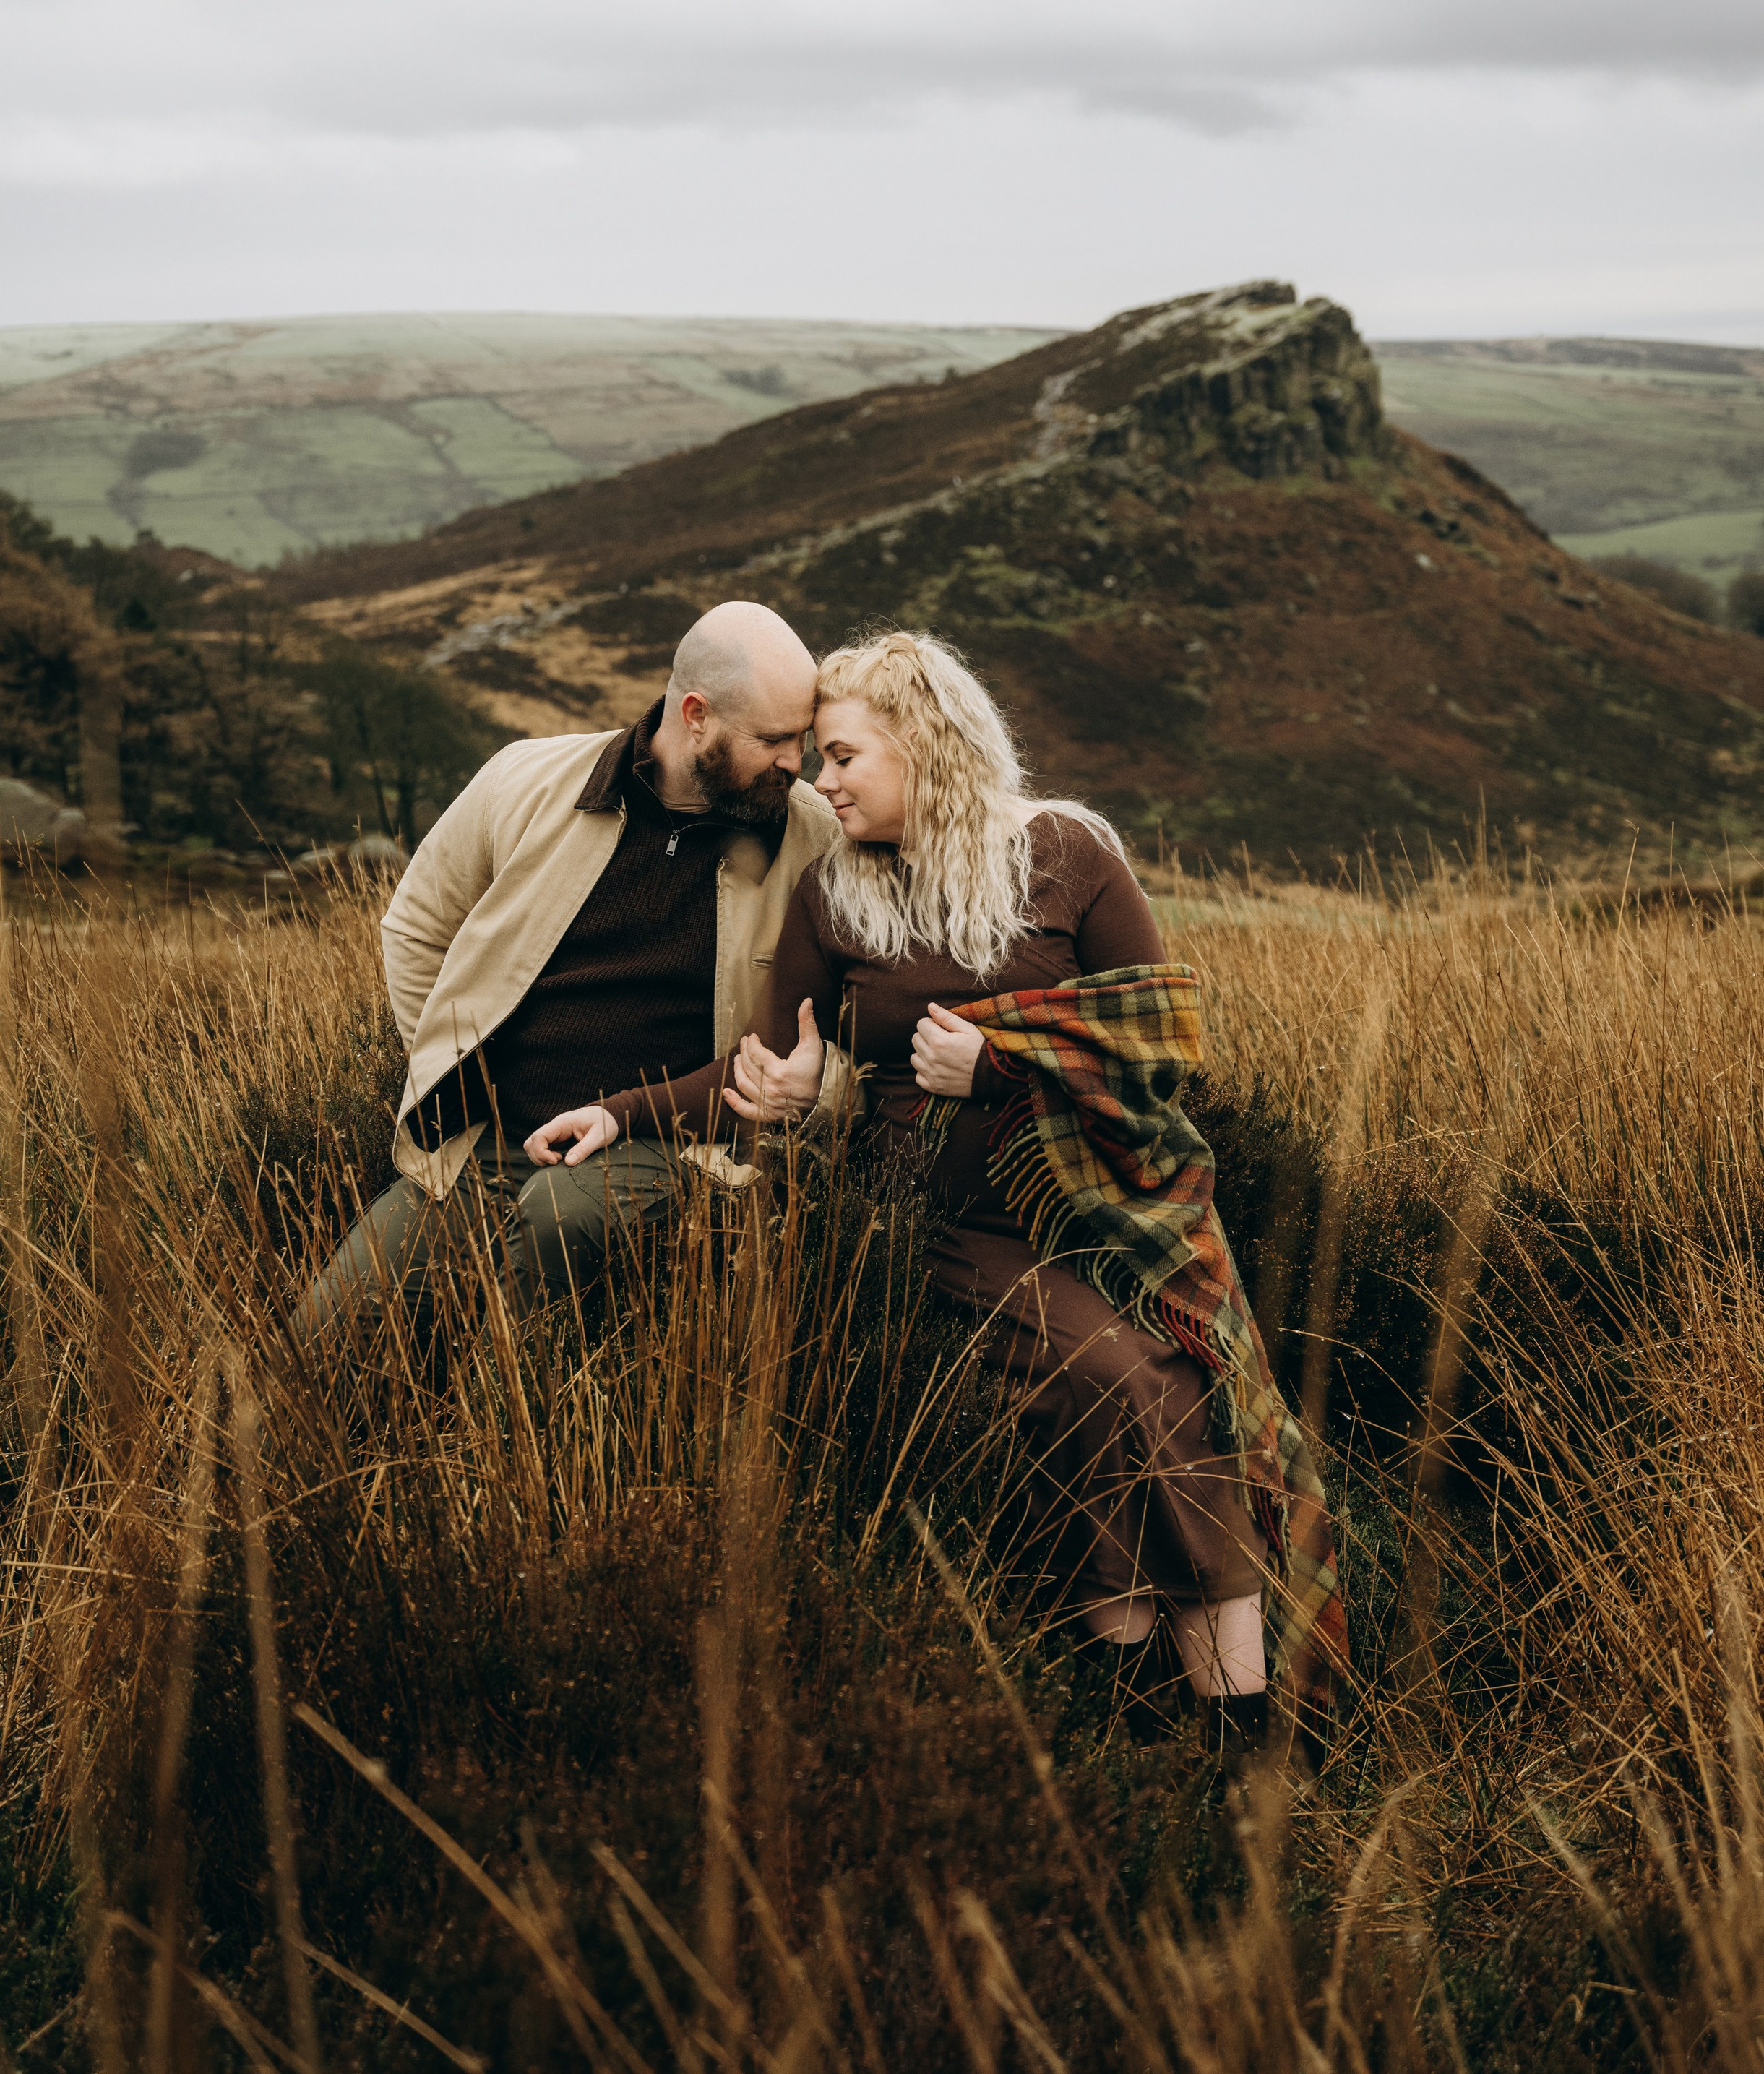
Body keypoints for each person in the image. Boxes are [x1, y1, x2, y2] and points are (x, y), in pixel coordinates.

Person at [725, 629, 1346, 1754]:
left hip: (1109, 1205)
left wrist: (1000, 1064)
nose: (822, 782)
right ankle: (1189, 1714)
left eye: (843, 756)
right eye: (818, 758)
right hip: (948, 1219)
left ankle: (1224, 1721)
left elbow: (1162, 1046)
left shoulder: (1068, 854)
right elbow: (771, 1065)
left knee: (1189, 1374)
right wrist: (741, 1096)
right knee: (1119, 1375)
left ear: (925, 744)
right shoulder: (834, 895)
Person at [300, 601, 838, 1340]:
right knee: (319, 1344)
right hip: (484, 1151)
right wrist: (460, 1069)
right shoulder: (527, 781)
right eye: (773, 739)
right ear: (695, 715)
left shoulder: (816, 838)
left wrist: (820, 1087)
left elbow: (862, 1012)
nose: (795, 762)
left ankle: (502, 1439)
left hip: (672, 1148)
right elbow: (418, 926)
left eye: (803, 739)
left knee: (559, 1223)